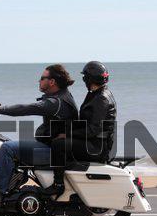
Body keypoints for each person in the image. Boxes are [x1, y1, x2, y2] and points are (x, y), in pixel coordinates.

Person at [0, 64, 78, 206]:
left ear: (52, 82)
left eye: (42, 78)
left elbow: (25, 109)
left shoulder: (56, 102)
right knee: (6, 143)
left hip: (53, 152)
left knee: (7, 148)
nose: (39, 81)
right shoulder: (61, 96)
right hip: (54, 147)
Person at [42, 61, 117, 196]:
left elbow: (93, 130)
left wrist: (68, 134)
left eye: (85, 77)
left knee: (59, 144)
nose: (84, 80)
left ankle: (58, 184)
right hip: (95, 142)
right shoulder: (96, 94)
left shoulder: (101, 98)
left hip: (96, 147)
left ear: (89, 79)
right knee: (54, 135)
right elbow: (86, 122)